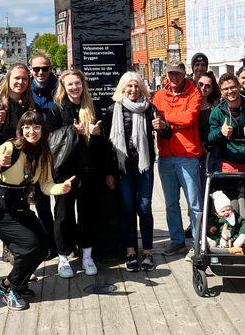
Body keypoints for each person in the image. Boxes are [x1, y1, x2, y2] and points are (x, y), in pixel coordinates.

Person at [0, 111, 76, 311]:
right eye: (26, 127)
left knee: (44, 245)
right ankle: (12, 289)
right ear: (21, 129)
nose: (31, 131)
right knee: (29, 245)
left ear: (42, 130)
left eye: (36, 127)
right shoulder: (10, 147)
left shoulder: (44, 153)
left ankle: (10, 284)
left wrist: (60, 188)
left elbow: (46, 185)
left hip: (19, 202)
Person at [0, 63, 39, 286]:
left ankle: (18, 257)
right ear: (8, 79)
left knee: (18, 213)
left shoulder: (28, 105)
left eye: (24, 79)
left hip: (20, 171)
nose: (20, 82)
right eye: (16, 78)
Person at [104, 72, 169, 272]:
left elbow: (167, 134)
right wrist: (109, 172)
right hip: (123, 168)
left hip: (144, 166)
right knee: (127, 209)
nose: (133, 90)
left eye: (136, 86)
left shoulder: (149, 109)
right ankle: (131, 252)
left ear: (142, 87)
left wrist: (163, 126)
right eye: (129, 86)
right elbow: (106, 146)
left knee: (145, 209)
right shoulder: (112, 110)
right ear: (122, 88)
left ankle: (147, 252)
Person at [47, 69, 107, 278]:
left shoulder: (92, 108)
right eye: (70, 84)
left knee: (87, 214)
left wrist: (98, 135)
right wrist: (74, 131)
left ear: (83, 84)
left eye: (78, 83)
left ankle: (87, 254)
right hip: (64, 171)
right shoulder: (56, 110)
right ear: (63, 87)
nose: (74, 87)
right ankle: (63, 257)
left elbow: (102, 145)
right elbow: (50, 141)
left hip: (88, 170)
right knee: (63, 215)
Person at [152, 59, 203, 260]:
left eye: (178, 74)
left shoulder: (194, 93)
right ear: (166, 75)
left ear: (184, 74)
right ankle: (177, 239)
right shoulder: (159, 95)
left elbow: (189, 118)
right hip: (165, 156)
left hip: (188, 156)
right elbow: (154, 118)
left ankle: (198, 243)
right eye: (171, 74)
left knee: (194, 203)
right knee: (171, 203)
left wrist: (166, 119)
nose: (174, 77)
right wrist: (173, 118)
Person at [28, 51, 58, 259]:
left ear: (50, 69)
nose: (40, 72)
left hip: (58, 150)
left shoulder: (59, 88)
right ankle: (49, 243)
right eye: (36, 69)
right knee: (41, 201)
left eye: (44, 68)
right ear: (31, 69)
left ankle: (65, 240)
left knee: (64, 199)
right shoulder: (25, 90)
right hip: (35, 152)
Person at [197, 71, 221, 177]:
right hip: (194, 151)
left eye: (207, 86)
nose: (203, 88)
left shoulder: (215, 107)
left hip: (210, 151)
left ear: (211, 89)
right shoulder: (190, 105)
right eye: (201, 84)